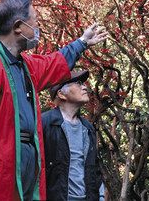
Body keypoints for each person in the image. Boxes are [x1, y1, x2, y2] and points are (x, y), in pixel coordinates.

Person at [0, 0, 108, 201]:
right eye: (35, 21)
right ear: (18, 27)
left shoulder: (26, 65)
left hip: (23, 168)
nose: (38, 27)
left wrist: (82, 42)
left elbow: (55, 63)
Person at [42, 70, 103, 201]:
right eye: (78, 83)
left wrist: (101, 196)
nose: (84, 87)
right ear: (61, 94)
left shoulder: (88, 128)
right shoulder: (45, 123)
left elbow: (94, 169)